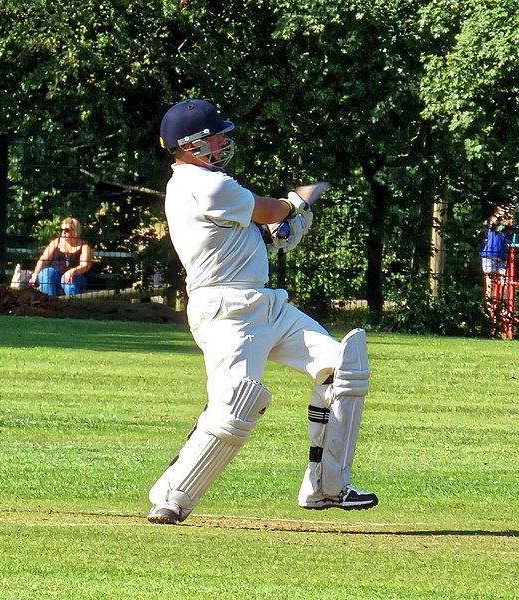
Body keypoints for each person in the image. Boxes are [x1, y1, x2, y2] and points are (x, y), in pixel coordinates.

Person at [147, 99, 378, 525]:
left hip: (267, 304)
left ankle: (326, 487)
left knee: (342, 367)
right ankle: (172, 497)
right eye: (216, 136)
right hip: (226, 312)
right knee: (235, 404)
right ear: (192, 144)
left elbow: (251, 232)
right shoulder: (205, 184)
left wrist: (274, 234)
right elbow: (271, 211)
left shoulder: (209, 185)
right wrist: (296, 205)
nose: (223, 141)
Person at [29, 218, 92, 296]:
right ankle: (50, 303)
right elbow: (43, 259)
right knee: (45, 273)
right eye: (61, 230)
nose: (63, 232)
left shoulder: (84, 246)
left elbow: (85, 265)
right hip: (56, 275)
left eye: (67, 230)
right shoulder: (56, 242)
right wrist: (35, 274)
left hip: (76, 277)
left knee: (69, 282)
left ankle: (73, 305)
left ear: (75, 231)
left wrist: (72, 272)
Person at [480, 205, 513, 316]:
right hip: (489, 257)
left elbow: (511, 226)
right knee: (490, 284)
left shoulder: (509, 223)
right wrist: (505, 215)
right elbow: (496, 221)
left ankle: (503, 309)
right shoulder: (494, 219)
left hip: (502, 257)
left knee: (506, 282)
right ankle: (490, 310)